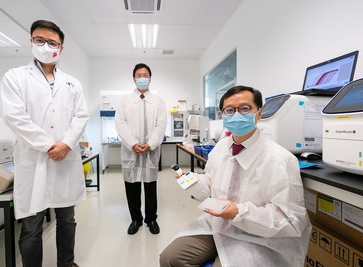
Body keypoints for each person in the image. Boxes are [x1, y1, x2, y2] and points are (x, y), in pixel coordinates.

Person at [160, 86, 311, 267]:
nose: (237, 115)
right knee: (170, 259)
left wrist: (239, 212)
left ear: (259, 113)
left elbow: (290, 221)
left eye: (245, 108)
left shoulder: (279, 158)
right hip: (217, 226)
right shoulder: (221, 147)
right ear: (224, 114)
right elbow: (211, 183)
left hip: (257, 236)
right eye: (230, 110)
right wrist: (193, 181)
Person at [0, 20, 89, 267]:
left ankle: (66, 262)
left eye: (52, 42)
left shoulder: (72, 83)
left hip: (65, 159)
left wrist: (67, 144)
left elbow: (81, 115)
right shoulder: (15, 77)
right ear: (31, 42)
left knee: (67, 219)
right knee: (31, 224)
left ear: (60, 48)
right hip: (34, 160)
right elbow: (14, 117)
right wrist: (50, 145)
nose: (45, 46)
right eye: (40, 40)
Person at [115, 63, 167, 235]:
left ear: (150, 78)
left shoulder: (158, 102)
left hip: (150, 151)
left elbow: (161, 125)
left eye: (146, 75)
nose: (142, 78)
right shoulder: (125, 102)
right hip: (131, 151)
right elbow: (120, 124)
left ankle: (151, 219)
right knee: (132, 186)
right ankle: (135, 220)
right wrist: (132, 143)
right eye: (139, 75)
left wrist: (150, 144)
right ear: (133, 78)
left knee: (150, 186)